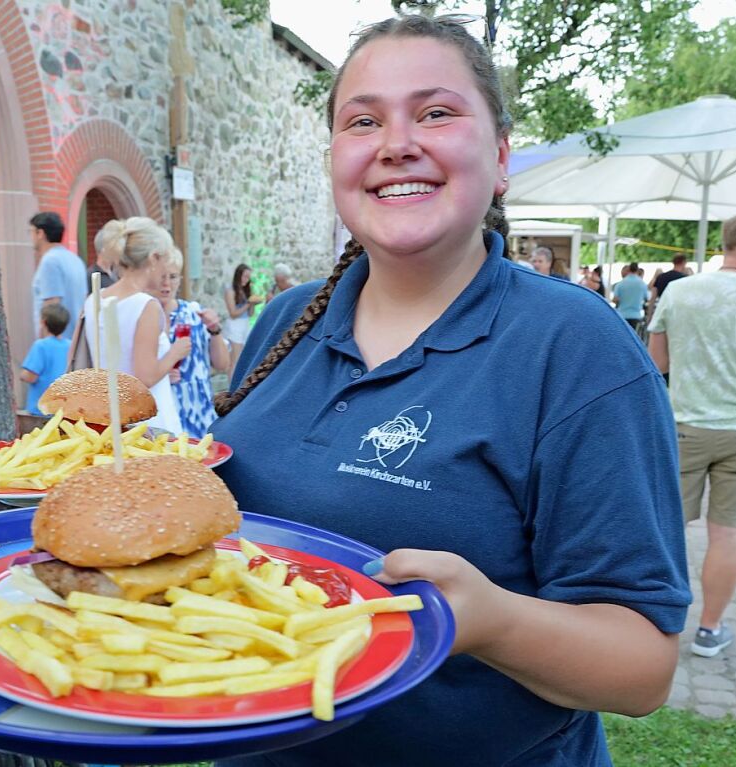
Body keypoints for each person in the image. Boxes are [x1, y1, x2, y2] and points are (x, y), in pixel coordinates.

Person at [210, 16, 689, 767]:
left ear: (499, 157)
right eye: (363, 120)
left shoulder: (576, 347)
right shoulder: (284, 320)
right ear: (336, 157)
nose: (396, 142)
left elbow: (644, 667)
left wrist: (491, 620)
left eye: (435, 112)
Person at [648, 212, 736, 658]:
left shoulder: (680, 292)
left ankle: (657, 619)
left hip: (683, 426)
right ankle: (709, 629)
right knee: (728, 534)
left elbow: (656, 365)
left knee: (667, 527)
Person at [84, 217, 188, 434]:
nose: (165, 274)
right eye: (164, 262)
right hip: (148, 422)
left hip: (108, 417)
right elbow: (144, 377)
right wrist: (174, 353)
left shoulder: (95, 299)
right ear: (153, 258)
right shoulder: (145, 305)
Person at [147, 247, 230, 439]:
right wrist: (162, 369)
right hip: (162, 412)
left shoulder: (194, 314)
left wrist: (215, 331)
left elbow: (222, 364)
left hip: (198, 411)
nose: (166, 284)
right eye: (161, 277)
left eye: (173, 277)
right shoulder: (144, 319)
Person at [29, 211, 87, 340]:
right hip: (75, 341)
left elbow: (51, 307)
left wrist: (47, 347)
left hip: (58, 344)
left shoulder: (50, 261)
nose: (30, 237)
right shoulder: (75, 260)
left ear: (40, 233)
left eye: (31, 232)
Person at [20, 303, 71, 416]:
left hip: (40, 409)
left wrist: (22, 375)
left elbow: (31, 376)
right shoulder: (70, 345)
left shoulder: (41, 346)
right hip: (63, 409)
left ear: (43, 322)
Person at [223, 263, 263, 380]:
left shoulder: (245, 291)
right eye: (245, 276)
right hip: (235, 326)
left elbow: (250, 314)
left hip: (245, 325)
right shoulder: (230, 290)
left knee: (243, 359)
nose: (247, 279)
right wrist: (248, 304)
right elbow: (233, 313)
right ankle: (232, 389)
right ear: (238, 275)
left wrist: (253, 305)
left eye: (248, 277)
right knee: (234, 360)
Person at [612, 260, 649, 329]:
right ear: (637, 270)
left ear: (629, 269)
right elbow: (646, 298)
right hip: (636, 315)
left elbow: (615, 299)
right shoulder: (642, 284)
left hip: (622, 315)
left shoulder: (620, 284)